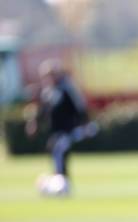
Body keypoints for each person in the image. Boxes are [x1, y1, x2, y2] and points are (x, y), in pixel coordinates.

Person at [25, 59, 97, 195]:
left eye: (50, 75)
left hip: (69, 129)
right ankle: (60, 182)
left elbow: (80, 108)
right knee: (55, 151)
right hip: (56, 132)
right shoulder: (48, 91)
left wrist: (85, 124)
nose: (47, 78)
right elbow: (42, 111)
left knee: (59, 150)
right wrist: (33, 123)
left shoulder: (67, 89)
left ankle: (63, 184)